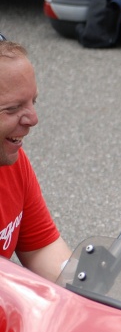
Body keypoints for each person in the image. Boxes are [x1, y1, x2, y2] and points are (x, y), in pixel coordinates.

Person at [0, 39, 71, 282]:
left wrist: (89, 294)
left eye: (33, 101)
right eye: (11, 109)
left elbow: (42, 249)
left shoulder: (11, 162)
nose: (33, 118)